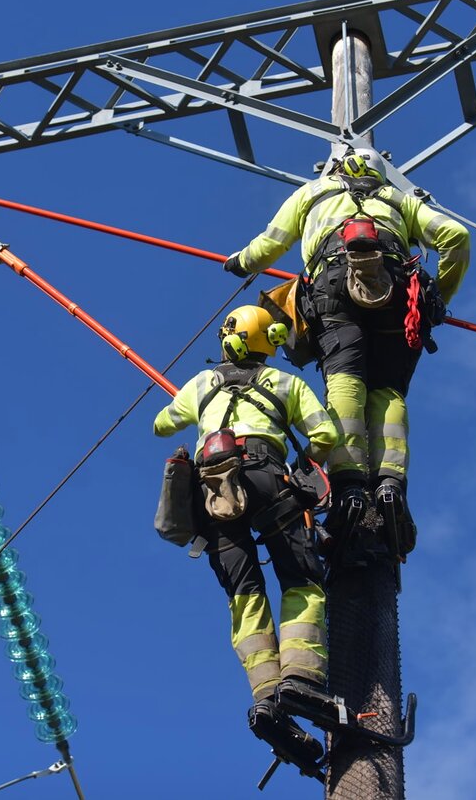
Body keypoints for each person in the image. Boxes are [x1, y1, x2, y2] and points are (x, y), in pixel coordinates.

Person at [223, 147, 470, 555]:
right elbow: (456, 237)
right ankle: (390, 483)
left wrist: (239, 263)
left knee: (346, 382)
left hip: (333, 287)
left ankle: (351, 484)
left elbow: (270, 244)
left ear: (337, 168)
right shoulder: (398, 200)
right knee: (388, 391)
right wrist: (437, 299)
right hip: (396, 292)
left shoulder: (315, 193)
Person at [153, 304, 339, 766]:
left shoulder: (201, 385)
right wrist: (302, 465)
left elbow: (161, 424)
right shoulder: (285, 383)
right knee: (300, 580)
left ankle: (268, 694)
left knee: (244, 594)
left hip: (211, 494)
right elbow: (326, 434)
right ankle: (301, 679)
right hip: (266, 478)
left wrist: (197, 407)